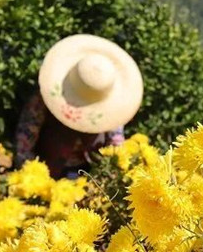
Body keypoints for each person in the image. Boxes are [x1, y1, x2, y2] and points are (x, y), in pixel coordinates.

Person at [15, 34, 144, 179]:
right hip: (46, 169)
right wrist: (34, 180)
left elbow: (116, 142)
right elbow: (23, 148)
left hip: (89, 171)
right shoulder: (41, 100)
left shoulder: (113, 112)